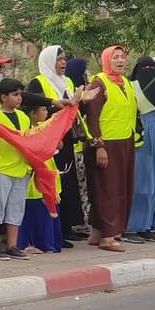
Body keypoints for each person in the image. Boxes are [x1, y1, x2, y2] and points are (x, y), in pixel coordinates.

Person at [0, 50, 66, 255]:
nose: (0, 71)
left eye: (2, 68)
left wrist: (52, 102)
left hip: (4, 157)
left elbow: (22, 95)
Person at [26, 45, 87, 243]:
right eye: (58, 60)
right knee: (53, 181)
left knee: (68, 182)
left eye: (64, 60)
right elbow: (35, 111)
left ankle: (67, 225)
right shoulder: (38, 82)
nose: (63, 63)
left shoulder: (67, 81)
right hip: (49, 139)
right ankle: (54, 227)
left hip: (66, 138)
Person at [82, 46, 137, 252]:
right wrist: (99, 146)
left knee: (120, 187)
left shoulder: (127, 83)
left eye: (123, 57)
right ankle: (108, 236)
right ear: (106, 60)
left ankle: (97, 232)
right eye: (115, 57)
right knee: (108, 189)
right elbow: (92, 117)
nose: (120, 60)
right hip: (105, 144)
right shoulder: (99, 83)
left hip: (125, 141)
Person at [0, 78, 32, 260]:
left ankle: (12, 245)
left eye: (20, 95)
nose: (19, 98)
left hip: (21, 169)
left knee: (16, 207)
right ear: (3, 97)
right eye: (15, 94)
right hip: (2, 170)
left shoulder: (24, 118)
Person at [125, 57, 155, 242]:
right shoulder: (132, 90)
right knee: (142, 184)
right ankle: (133, 226)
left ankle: (150, 224)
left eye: (152, 69)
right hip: (142, 146)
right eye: (144, 69)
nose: (148, 72)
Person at [15, 98, 63, 253]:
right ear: (33, 114)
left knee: (47, 209)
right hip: (33, 178)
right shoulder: (27, 131)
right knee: (32, 211)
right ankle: (27, 244)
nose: (46, 112)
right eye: (43, 110)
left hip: (48, 172)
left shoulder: (44, 127)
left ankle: (49, 242)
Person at [65, 56, 92, 226]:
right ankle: (78, 222)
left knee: (82, 186)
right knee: (78, 185)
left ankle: (82, 220)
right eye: (83, 72)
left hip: (81, 145)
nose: (86, 76)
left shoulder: (81, 90)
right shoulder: (70, 90)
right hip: (74, 148)